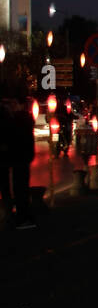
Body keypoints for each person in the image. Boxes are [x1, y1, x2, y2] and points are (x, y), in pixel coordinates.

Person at [0, 85, 37, 230]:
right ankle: (13, 215)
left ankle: (19, 217)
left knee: (19, 188)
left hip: (18, 157)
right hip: (13, 157)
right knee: (10, 188)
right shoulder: (14, 117)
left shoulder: (22, 118)